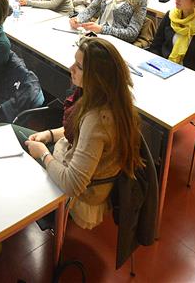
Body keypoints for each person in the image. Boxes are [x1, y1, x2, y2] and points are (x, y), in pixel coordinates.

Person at [21, 36, 142, 229]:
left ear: (97, 76)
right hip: (66, 156)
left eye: (78, 66)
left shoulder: (97, 120)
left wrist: (43, 153)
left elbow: (72, 184)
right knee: (11, 135)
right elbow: (78, 133)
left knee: (13, 142)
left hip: (78, 195)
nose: (71, 68)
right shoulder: (103, 96)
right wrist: (49, 135)